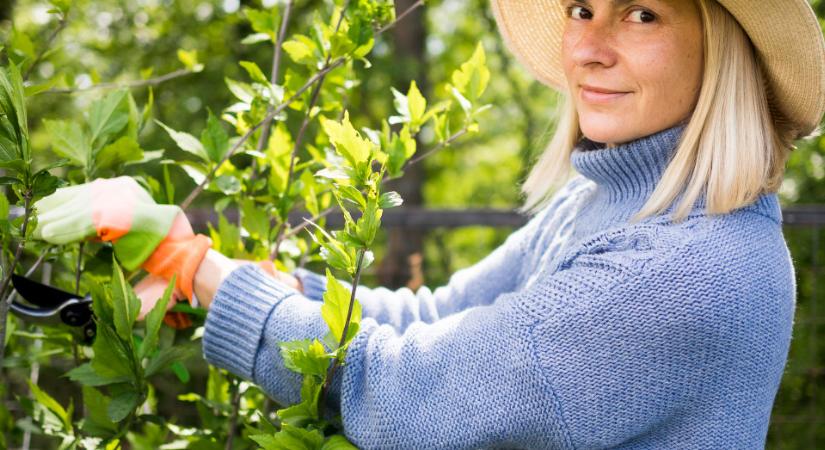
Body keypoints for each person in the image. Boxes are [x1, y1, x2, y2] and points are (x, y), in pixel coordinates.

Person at [29, 0, 825, 448]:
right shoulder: (609, 205)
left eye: (640, 14)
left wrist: (193, 266)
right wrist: (214, 272)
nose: (586, 46)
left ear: (721, 49)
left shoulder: (684, 269)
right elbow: (436, 318)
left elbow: (412, 388)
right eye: (582, 7)